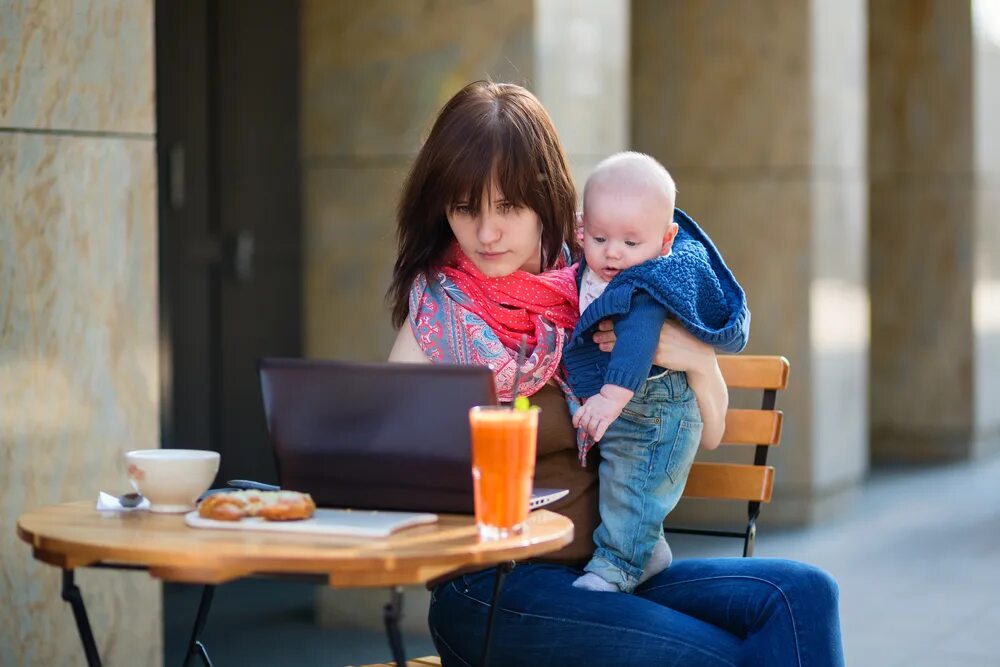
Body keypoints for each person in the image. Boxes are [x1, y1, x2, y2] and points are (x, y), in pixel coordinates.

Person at [387, 80, 844, 666]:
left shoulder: (600, 285)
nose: (486, 233)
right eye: (465, 207)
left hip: (613, 567)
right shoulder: (438, 316)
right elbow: (392, 469)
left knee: (802, 595)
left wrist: (696, 359)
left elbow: (707, 433)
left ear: (548, 200)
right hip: (493, 590)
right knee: (729, 659)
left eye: (508, 206)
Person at [565, 152, 750, 594]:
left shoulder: (647, 284)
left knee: (635, 482)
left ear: (666, 241)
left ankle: (622, 565)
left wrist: (609, 398)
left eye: (631, 243)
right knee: (626, 484)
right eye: (599, 237)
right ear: (579, 228)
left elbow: (634, 347)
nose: (613, 253)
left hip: (653, 410)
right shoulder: (581, 274)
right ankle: (646, 549)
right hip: (627, 411)